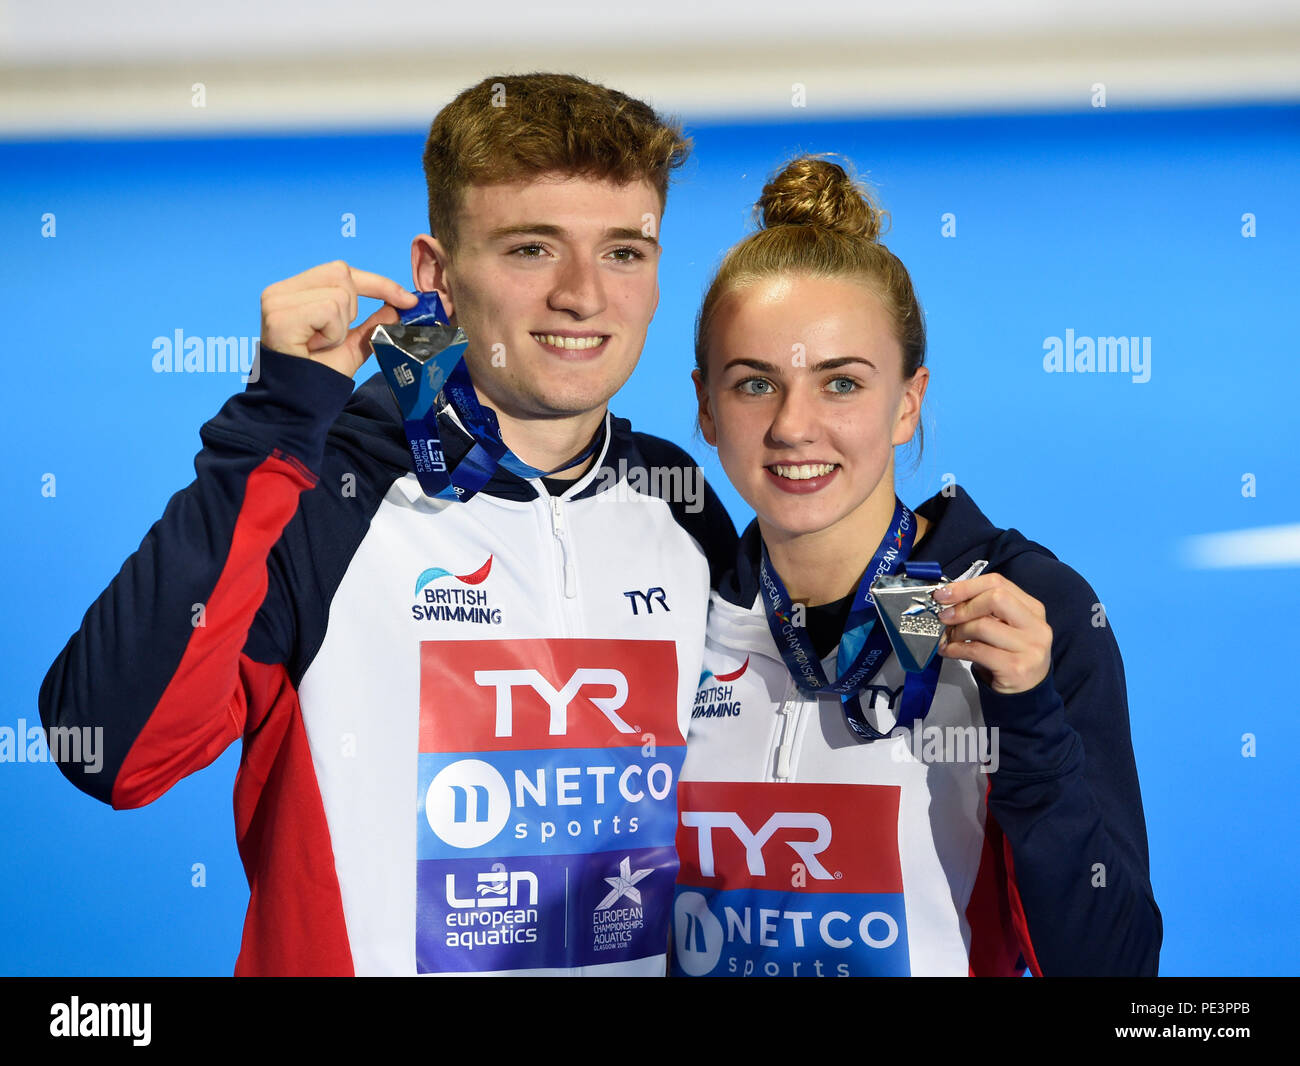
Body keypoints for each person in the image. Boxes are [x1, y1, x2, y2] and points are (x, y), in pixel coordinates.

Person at [39, 73, 736, 976]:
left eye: (624, 253)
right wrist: (273, 425)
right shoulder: (321, 489)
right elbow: (111, 752)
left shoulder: (679, 502)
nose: (583, 295)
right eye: (532, 248)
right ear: (436, 274)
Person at [671, 155, 1161, 977]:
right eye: (756, 383)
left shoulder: (1025, 611)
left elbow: (1116, 970)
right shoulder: (673, 600)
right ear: (706, 407)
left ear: (907, 403)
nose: (795, 426)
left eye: (841, 384)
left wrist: (1029, 724)